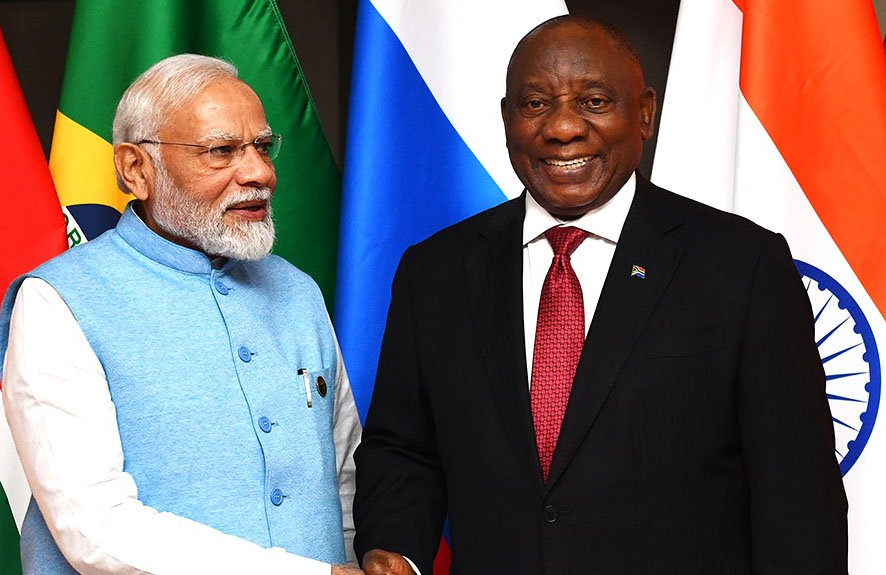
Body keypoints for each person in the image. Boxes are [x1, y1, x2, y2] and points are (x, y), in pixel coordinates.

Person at [353, 15, 847, 575]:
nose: (563, 128)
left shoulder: (742, 265)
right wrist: (394, 550)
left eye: (593, 101)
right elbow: (403, 449)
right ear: (507, 119)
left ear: (644, 113)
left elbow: (796, 493)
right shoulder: (435, 271)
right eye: (536, 104)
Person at [0, 54, 363, 575]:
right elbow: (94, 526)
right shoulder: (59, 301)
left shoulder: (296, 290)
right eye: (221, 151)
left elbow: (343, 477)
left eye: (262, 146)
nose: (259, 173)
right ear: (135, 169)